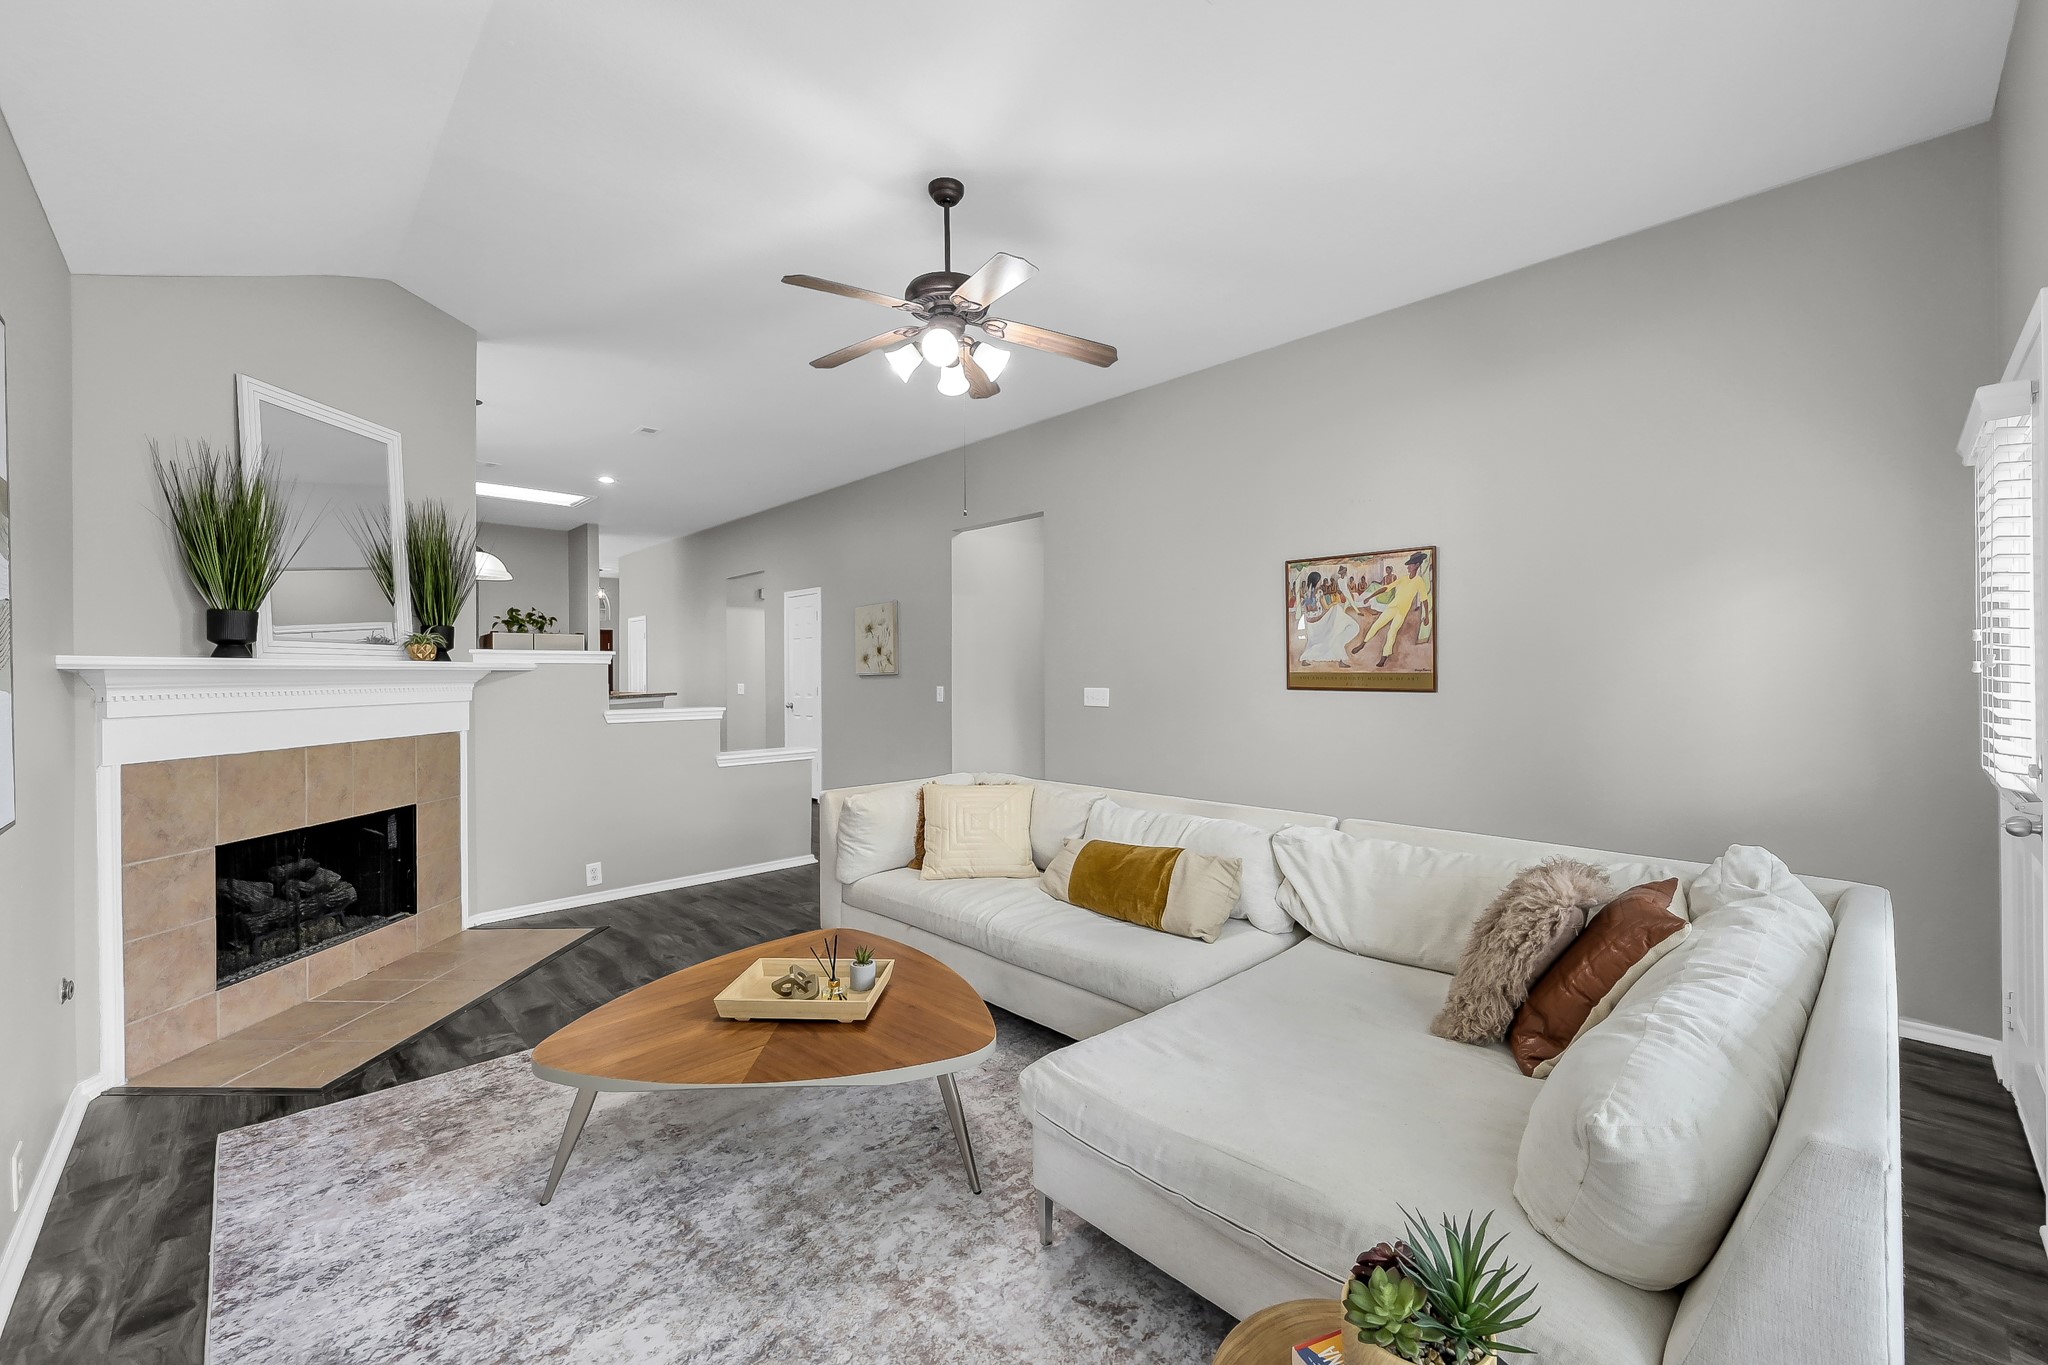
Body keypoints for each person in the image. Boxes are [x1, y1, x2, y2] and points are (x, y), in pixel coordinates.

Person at [1352, 550, 1432, 667]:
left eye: (1410, 565)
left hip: (1401, 612)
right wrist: (1370, 596)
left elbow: (1424, 599)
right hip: (1392, 607)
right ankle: (1363, 644)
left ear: (1416, 565)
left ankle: (1384, 656)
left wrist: (1427, 616)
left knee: (1392, 632)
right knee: (1376, 625)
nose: (1408, 567)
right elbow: (1386, 588)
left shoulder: (1419, 582)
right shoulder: (1403, 579)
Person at [1298, 568, 1360, 664]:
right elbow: (1326, 607)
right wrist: (1335, 603)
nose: (1321, 582)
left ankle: (1306, 658)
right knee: (1337, 610)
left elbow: (1307, 611)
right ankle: (1339, 656)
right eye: (1320, 580)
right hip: (1319, 620)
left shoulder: (1306, 594)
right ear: (1317, 582)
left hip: (1310, 622)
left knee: (1333, 625)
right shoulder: (1319, 592)